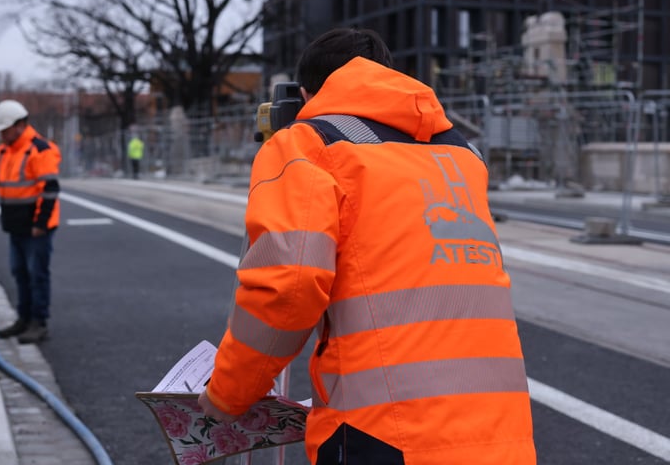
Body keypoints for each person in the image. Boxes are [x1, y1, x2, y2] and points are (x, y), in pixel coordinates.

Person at [198, 28, 536, 464]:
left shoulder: (310, 144)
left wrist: (228, 395)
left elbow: (288, 287)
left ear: (305, 94)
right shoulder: (462, 155)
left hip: (383, 436)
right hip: (502, 434)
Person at [0, 99, 62, 344]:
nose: (1, 135)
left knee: (37, 274)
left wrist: (41, 223)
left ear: (20, 125)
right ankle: (24, 318)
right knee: (20, 272)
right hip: (15, 224)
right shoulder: (5, 151)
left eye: (5, 130)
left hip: (36, 227)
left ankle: (38, 321)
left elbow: (50, 189)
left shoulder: (40, 150)